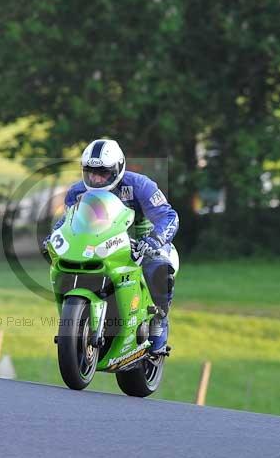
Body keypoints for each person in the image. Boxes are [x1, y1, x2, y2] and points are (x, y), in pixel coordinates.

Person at [43, 138, 179, 354]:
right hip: (98, 245)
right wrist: (54, 238)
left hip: (142, 244)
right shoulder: (77, 192)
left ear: (118, 169)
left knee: (159, 267)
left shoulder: (140, 185)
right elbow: (67, 222)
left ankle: (160, 319)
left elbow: (169, 216)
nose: (96, 178)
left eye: (103, 172)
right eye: (90, 172)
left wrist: (153, 240)